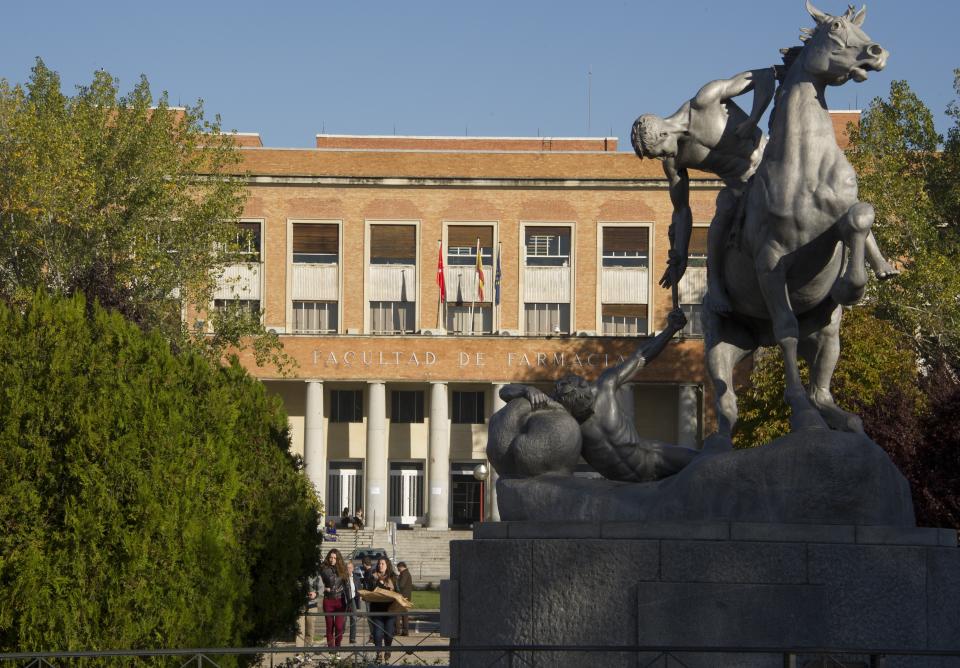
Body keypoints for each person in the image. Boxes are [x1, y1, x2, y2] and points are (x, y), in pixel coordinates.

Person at [631, 68, 896, 314]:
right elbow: (682, 210)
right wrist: (680, 254)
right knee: (721, 212)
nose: (661, 158)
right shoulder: (673, 163)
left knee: (831, 188)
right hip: (742, 189)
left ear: (664, 132)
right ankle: (717, 286)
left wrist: (754, 119)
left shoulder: (706, 101)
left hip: (773, 163)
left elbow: (764, 78)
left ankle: (875, 258)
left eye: (657, 152)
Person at [499, 309, 705, 480]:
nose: (586, 400)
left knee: (705, 464)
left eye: (584, 391)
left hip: (653, 458)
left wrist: (670, 330)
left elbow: (642, 356)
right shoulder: (561, 414)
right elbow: (504, 391)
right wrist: (527, 389)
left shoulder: (604, 386)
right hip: (624, 484)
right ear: (567, 404)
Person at [365, 556, 398, 662]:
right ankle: (378, 653)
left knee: (389, 634)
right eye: (379, 563)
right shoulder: (373, 577)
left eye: (382, 563)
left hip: (390, 611)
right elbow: (368, 591)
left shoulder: (392, 577)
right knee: (378, 634)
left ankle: (387, 650)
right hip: (377, 610)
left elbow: (398, 592)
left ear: (387, 565)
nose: (380, 565)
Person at [319, 548, 349, 650]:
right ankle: (331, 650)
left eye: (334, 558)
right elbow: (316, 582)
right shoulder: (323, 568)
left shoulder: (342, 569)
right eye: (330, 557)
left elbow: (347, 586)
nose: (332, 559)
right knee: (329, 627)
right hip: (328, 600)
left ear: (338, 559)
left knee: (339, 627)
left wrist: (349, 602)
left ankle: (338, 646)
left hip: (340, 600)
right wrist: (323, 588)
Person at [344, 560, 362, 645]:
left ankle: (352, 638)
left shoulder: (356, 578)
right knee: (343, 619)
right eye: (347, 568)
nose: (349, 569)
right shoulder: (343, 578)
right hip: (344, 599)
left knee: (353, 618)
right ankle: (340, 634)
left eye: (350, 568)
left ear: (353, 568)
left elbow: (359, 588)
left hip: (353, 599)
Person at [395, 561, 414, 636]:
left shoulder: (404, 573)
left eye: (398, 568)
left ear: (401, 567)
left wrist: (397, 581)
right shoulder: (406, 573)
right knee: (404, 614)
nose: (398, 570)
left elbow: (401, 585)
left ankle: (397, 630)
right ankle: (405, 631)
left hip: (402, 597)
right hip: (406, 597)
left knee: (397, 614)